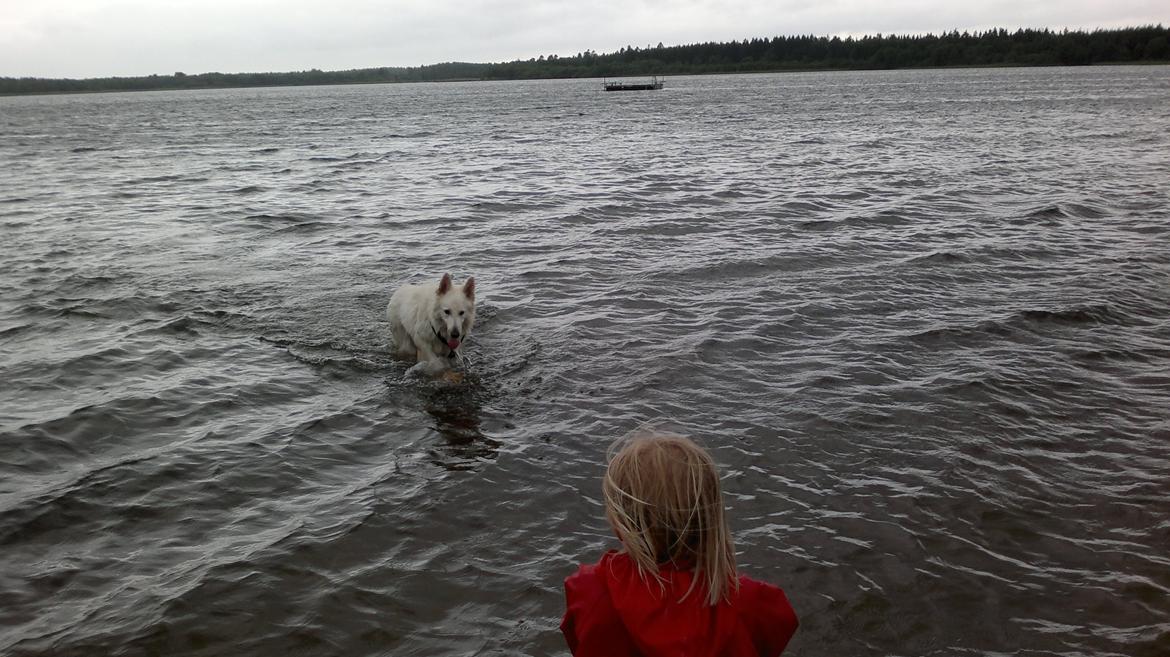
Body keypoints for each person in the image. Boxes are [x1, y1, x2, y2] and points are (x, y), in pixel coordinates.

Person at [560, 431, 799, 656]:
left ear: (621, 525)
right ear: (711, 519)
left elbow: (579, 639)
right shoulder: (752, 602)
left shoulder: (592, 592)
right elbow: (777, 631)